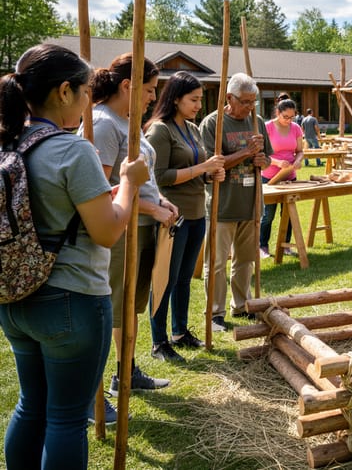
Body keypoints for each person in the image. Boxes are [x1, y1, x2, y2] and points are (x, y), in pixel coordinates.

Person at [0, 44, 148, 467]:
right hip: (73, 300)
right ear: (64, 92)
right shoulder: (72, 149)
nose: (88, 100)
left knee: (32, 405)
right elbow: (106, 232)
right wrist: (129, 181)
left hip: (14, 297)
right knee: (66, 418)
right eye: (84, 91)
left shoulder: (8, 142)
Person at [82, 54, 176, 411]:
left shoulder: (126, 121)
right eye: (150, 90)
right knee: (111, 311)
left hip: (142, 227)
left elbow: (144, 177)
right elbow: (100, 189)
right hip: (120, 229)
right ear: (127, 86)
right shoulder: (104, 124)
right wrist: (151, 207)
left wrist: (160, 200)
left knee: (129, 308)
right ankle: (92, 394)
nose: (154, 98)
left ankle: (126, 370)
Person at [145, 71, 225, 361]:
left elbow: (199, 170)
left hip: (196, 213)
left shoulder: (192, 129)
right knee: (165, 278)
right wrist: (202, 169)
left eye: (201, 99)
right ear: (175, 98)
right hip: (171, 216)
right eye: (193, 99)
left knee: (182, 277)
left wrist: (212, 173)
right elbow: (159, 177)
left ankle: (179, 331)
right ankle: (159, 341)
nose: (198, 105)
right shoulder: (159, 130)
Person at [199, 73, 272, 332]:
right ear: (229, 97)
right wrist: (245, 153)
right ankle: (215, 313)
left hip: (251, 203)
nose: (250, 107)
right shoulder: (213, 123)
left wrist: (261, 161)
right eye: (245, 102)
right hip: (223, 205)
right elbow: (210, 164)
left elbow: (268, 159)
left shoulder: (257, 122)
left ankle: (242, 305)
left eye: (254, 102)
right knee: (217, 263)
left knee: (245, 260)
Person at [259, 98, 304, 257]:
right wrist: (277, 162)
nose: (289, 120)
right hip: (269, 177)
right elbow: (260, 154)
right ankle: (262, 246)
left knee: (289, 213)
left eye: (292, 117)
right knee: (267, 215)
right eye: (286, 116)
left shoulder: (296, 128)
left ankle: (285, 245)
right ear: (277, 113)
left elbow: (299, 151)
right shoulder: (267, 127)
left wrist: (298, 160)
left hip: (289, 176)